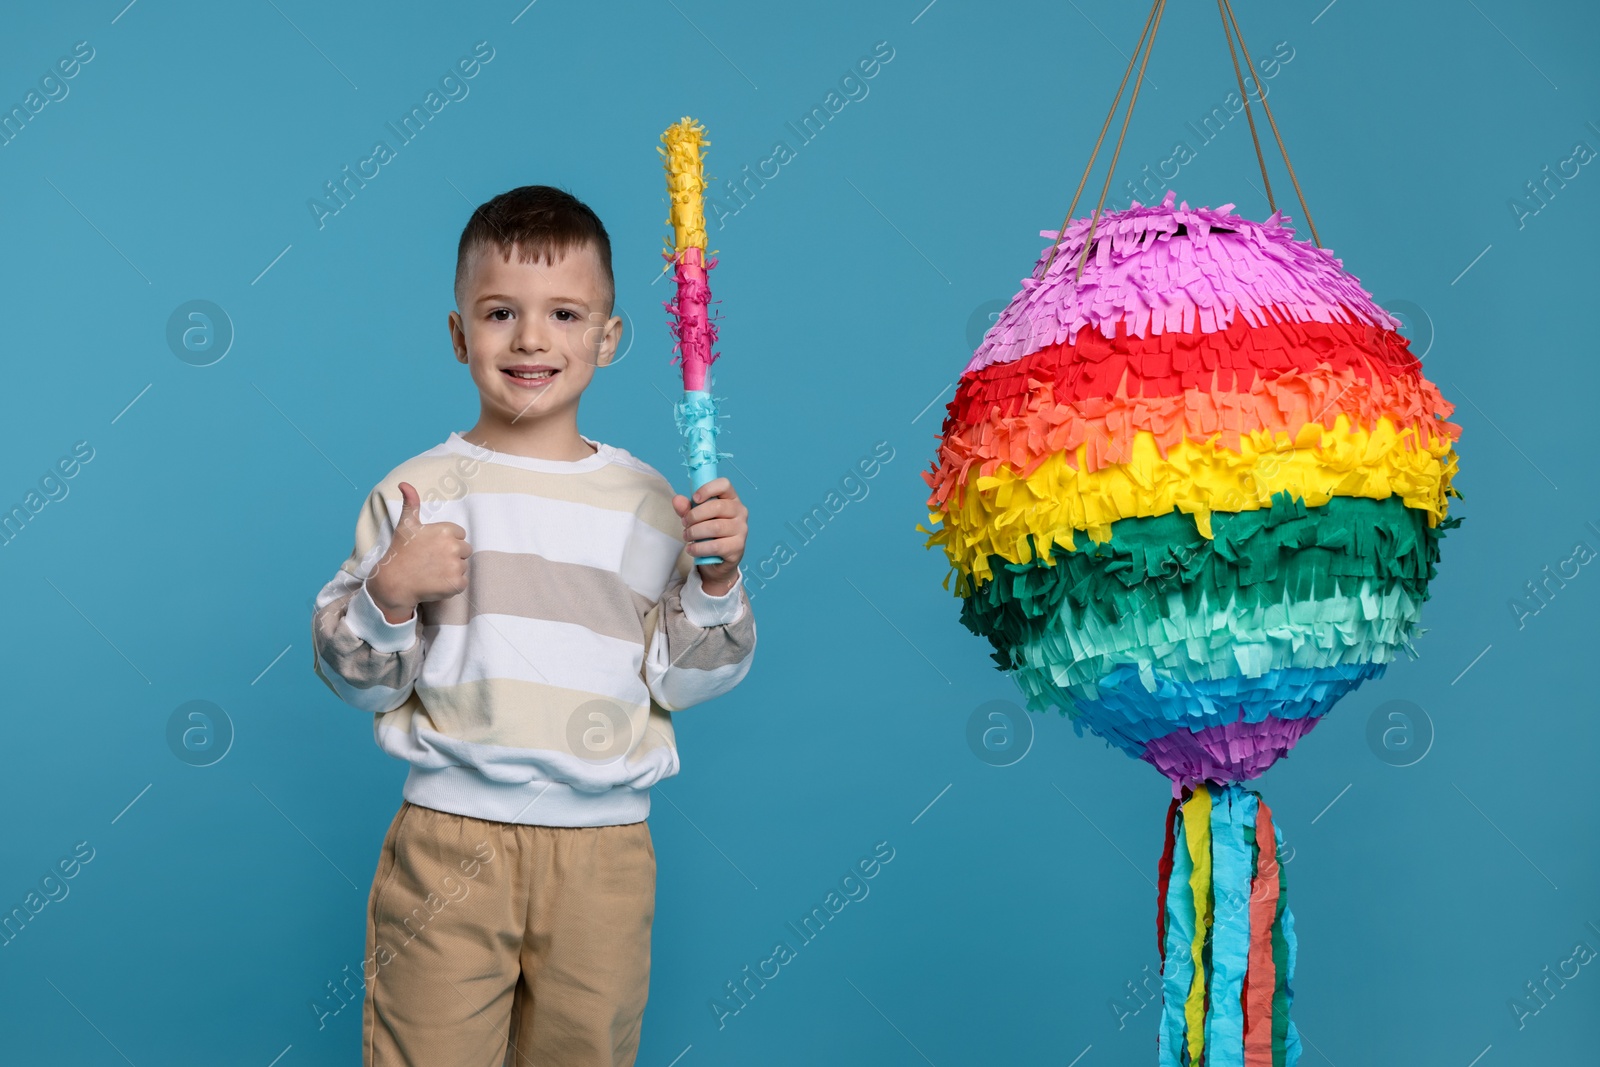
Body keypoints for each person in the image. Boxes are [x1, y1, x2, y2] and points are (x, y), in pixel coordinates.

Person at [309, 184, 756, 1066]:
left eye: (564, 313)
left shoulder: (652, 505)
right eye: (500, 312)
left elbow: (687, 679)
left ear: (609, 336)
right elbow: (355, 675)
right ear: (458, 334)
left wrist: (716, 579)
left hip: (604, 855)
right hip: (448, 842)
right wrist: (391, 593)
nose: (531, 339)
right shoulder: (415, 493)